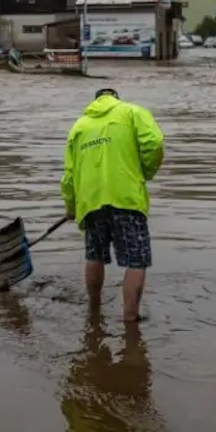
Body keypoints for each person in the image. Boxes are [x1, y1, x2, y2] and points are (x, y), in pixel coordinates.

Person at [61, 88, 164, 323]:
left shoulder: (79, 126)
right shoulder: (132, 112)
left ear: (95, 101)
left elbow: (68, 176)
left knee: (94, 255)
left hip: (90, 202)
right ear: (116, 98)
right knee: (136, 260)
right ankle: (130, 316)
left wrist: (72, 205)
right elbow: (154, 142)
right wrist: (145, 171)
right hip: (126, 198)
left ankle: (94, 310)